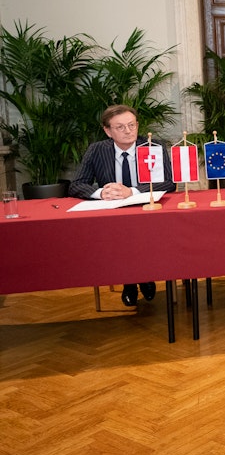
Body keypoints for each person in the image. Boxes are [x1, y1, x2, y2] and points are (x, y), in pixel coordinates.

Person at [69, 104, 176, 307]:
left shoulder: (153, 146)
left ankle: (146, 277)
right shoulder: (97, 150)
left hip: (147, 211)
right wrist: (101, 193)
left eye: (132, 125)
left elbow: (169, 183)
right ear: (108, 131)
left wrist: (132, 191)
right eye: (120, 127)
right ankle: (129, 283)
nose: (128, 131)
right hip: (113, 215)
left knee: (144, 237)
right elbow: (76, 184)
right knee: (122, 238)